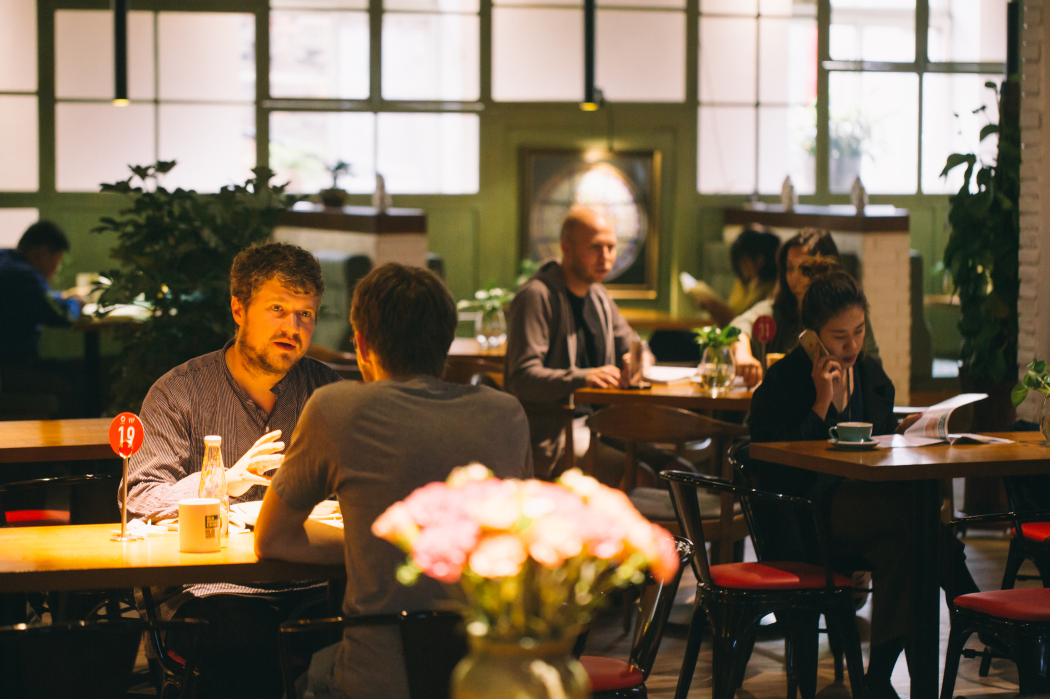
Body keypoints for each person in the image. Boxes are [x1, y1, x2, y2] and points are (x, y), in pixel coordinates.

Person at [254, 262, 532, 699]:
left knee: (313, 669)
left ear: (361, 344)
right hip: (486, 674)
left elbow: (270, 539)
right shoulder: (507, 414)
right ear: (446, 342)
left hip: (378, 679)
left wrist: (378, 544)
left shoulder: (335, 408)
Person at [748, 260, 976, 699]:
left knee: (909, 547)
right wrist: (820, 403)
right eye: (839, 335)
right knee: (921, 521)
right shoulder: (783, 381)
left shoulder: (871, 376)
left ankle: (878, 680)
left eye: (859, 330)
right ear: (812, 335)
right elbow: (775, 466)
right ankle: (976, 608)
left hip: (869, 516)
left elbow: (881, 445)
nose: (852, 344)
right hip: (804, 521)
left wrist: (910, 432)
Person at [124, 241, 342, 699]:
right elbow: (140, 496)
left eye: (306, 314)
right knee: (241, 641)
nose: (293, 327)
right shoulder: (179, 391)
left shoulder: (330, 393)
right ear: (238, 309)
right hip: (213, 591)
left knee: (371, 625)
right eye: (278, 309)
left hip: (312, 581)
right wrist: (220, 482)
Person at [504, 206, 642, 479]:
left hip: (602, 425)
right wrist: (584, 378)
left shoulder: (599, 297)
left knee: (673, 467)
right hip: (555, 434)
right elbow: (522, 377)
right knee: (640, 474)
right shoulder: (537, 296)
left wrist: (636, 359)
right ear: (566, 248)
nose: (606, 257)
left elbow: (634, 343)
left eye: (611, 247)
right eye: (595, 247)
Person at [731, 229, 880, 387]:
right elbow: (739, 327)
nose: (796, 278)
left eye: (805, 269)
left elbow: (873, 372)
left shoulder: (849, 314)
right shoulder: (778, 309)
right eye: (789, 268)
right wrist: (743, 355)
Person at [0, 221, 84, 416]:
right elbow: (59, 313)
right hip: (8, 368)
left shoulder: (7, 262)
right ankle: (67, 445)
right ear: (43, 253)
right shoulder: (22, 276)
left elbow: (42, 299)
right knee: (73, 382)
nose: (57, 268)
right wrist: (76, 304)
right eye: (58, 259)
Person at [680, 228, 780, 327]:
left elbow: (750, 324)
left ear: (760, 260)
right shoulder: (742, 282)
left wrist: (721, 311)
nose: (741, 267)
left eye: (744, 262)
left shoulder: (772, 289)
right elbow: (732, 309)